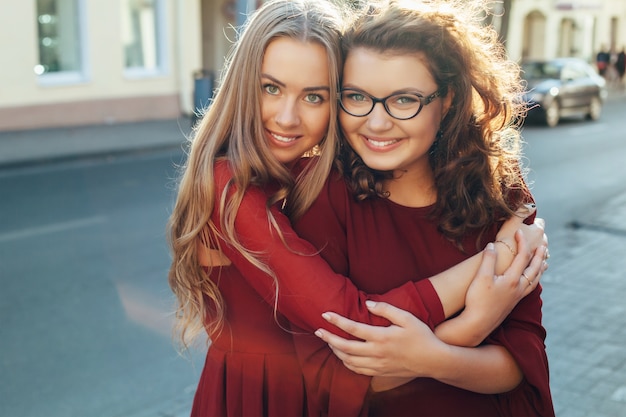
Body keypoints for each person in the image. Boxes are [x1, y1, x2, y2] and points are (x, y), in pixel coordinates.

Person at [167, 0, 547, 416]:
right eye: (269, 88)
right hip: (260, 399)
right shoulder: (236, 185)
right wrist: (493, 269)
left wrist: (439, 351)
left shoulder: (312, 176)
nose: (287, 117)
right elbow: (350, 328)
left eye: (315, 95)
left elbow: (524, 358)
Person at [293, 0, 555, 415]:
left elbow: (522, 364)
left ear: (447, 98)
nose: (376, 123)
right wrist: (470, 329)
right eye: (357, 97)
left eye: (403, 101)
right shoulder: (322, 197)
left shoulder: (502, 194)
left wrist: (430, 356)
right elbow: (332, 377)